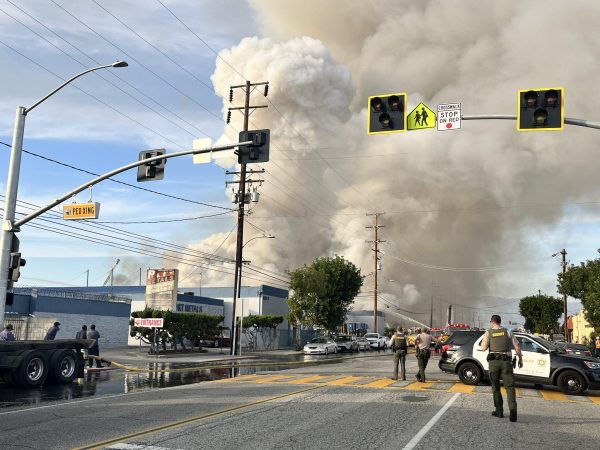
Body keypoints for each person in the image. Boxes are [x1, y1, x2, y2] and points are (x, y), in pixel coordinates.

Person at [480, 314, 523, 423]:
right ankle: (513, 412)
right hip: (506, 362)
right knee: (510, 387)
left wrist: (486, 342)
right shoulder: (508, 331)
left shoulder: (488, 332)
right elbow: (517, 347)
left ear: (492, 322)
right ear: (500, 321)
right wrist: (520, 359)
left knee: (496, 387)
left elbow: (483, 348)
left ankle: (499, 411)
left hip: (494, 363)